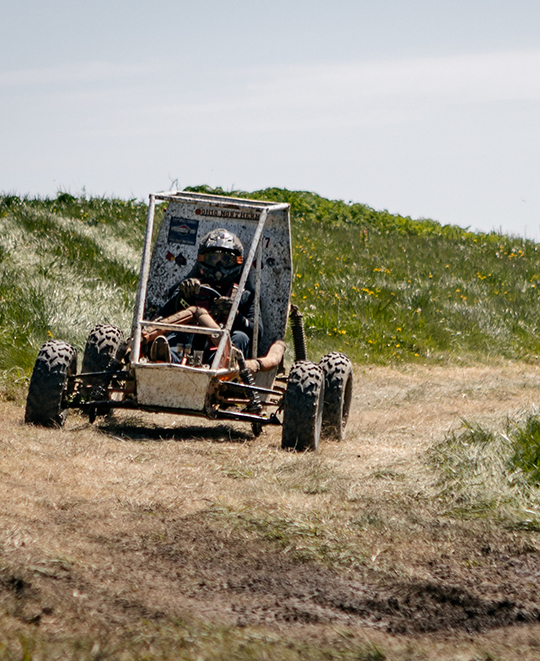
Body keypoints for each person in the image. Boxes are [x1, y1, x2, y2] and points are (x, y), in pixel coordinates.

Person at [149, 228, 262, 363]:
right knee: (176, 333)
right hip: (186, 348)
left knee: (241, 337)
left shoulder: (244, 296)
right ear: (202, 260)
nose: (218, 266)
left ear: (237, 261)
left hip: (221, 353)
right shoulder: (190, 287)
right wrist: (184, 295)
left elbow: (258, 332)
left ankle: (225, 366)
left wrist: (235, 315)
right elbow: (164, 315)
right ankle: (167, 358)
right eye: (213, 259)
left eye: (226, 260)